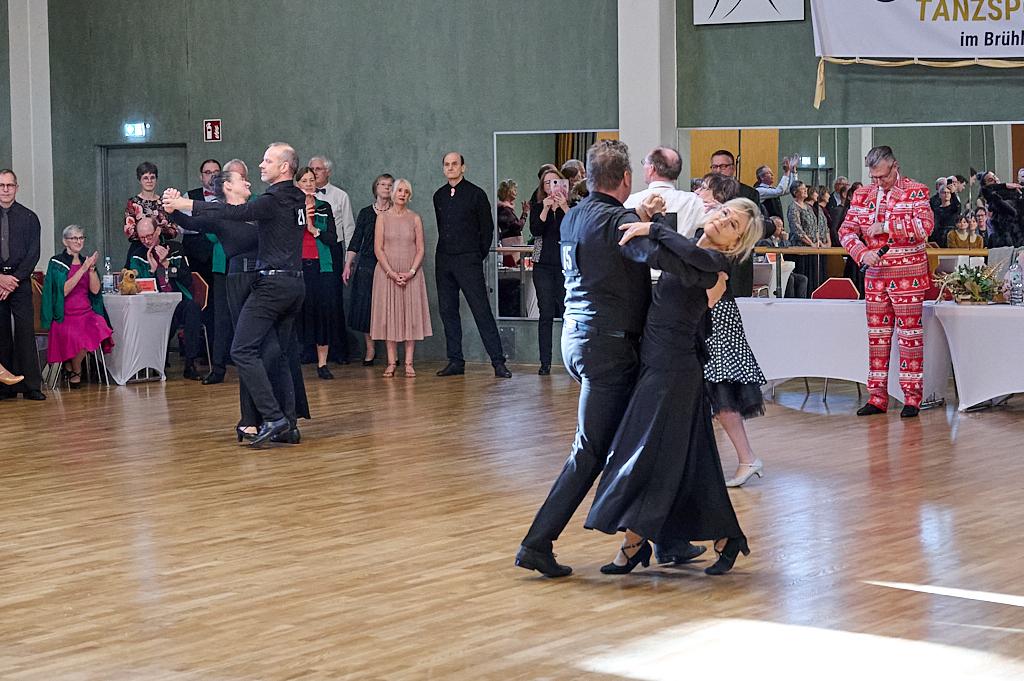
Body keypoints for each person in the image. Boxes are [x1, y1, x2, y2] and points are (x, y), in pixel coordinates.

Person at [514, 140, 723, 578]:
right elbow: (665, 259)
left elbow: (611, 250)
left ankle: (665, 540)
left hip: (577, 340)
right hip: (609, 348)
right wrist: (715, 267)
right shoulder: (621, 222)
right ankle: (537, 542)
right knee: (591, 452)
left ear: (589, 179)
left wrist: (647, 219)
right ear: (626, 180)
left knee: (645, 440)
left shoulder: (575, 215)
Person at [585, 198, 761, 575]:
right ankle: (720, 539)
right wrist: (648, 220)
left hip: (673, 369)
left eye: (733, 224)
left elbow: (667, 254)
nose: (722, 220)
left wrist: (651, 228)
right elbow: (668, 255)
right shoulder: (692, 251)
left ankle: (635, 543)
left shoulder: (716, 265)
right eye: (724, 212)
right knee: (684, 461)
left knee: (643, 453)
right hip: (662, 364)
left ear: (734, 244)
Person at [163, 142, 307, 447]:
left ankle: (275, 418)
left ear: (284, 167)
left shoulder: (270, 202)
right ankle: (271, 422)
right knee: (266, 352)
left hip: (270, 285)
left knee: (249, 351)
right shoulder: (291, 197)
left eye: (267, 160)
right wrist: (176, 210)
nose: (258, 168)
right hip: (269, 283)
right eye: (243, 176)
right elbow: (220, 213)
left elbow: (234, 211)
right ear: (228, 185)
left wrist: (185, 203)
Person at [839, 146, 933, 418]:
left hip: (909, 276)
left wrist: (887, 227)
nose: (878, 182)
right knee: (877, 338)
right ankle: (877, 397)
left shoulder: (916, 191)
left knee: (910, 337)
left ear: (895, 167)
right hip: (875, 277)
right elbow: (846, 230)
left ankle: (912, 398)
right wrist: (861, 252)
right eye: (874, 177)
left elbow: (925, 227)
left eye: (883, 176)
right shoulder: (862, 194)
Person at [432, 152, 511, 378]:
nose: (450, 168)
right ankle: (455, 360)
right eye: (447, 165)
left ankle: (498, 362)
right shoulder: (439, 196)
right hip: (444, 259)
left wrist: (476, 255)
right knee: (448, 311)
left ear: (463, 168)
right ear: (443, 169)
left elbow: (486, 230)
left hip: (468, 260)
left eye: (454, 164)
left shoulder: (476, 194)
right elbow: (442, 227)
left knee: (481, 310)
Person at [126, 217, 204, 380]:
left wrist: (167, 266)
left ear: (158, 231)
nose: (146, 241)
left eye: (150, 236)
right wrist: (153, 271)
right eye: (142, 238)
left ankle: (190, 364)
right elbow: (135, 284)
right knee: (161, 319)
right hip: (151, 304)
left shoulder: (176, 248)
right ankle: (155, 362)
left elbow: (187, 279)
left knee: (192, 309)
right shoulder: (136, 253)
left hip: (177, 300)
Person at [370, 179, 431, 377]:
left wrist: (411, 272)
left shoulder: (415, 218)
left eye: (406, 191)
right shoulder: (382, 218)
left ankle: (409, 363)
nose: (402, 194)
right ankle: (391, 362)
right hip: (387, 274)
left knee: (409, 317)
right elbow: (378, 248)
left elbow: (421, 248)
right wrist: (391, 273)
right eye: (399, 190)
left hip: (410, 274)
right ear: (393, 193)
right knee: (390, 317)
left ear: (409, 195)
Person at [40, 225, 114, 388]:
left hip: (86, 313)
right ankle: (76, 370)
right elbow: (63, 291)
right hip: (65, 315)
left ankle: (73, 367)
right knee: (77, 334)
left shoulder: (85, 262)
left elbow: (95, 290)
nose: (78, 241)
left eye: (81, 238)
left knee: (98, 327)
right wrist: (83, 269)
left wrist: (92, 269)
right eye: (74, 238)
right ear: (65, 241)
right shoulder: (57, 262)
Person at [0, 169, 45, 401]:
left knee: (25, 332)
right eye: (1, 185)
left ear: (17, 188)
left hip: (20, 281)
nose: (6, 189)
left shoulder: (29, 217)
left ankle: (31, 386)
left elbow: (33, 254)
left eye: (10, 185)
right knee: (1, 333)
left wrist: (13, 280)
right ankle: (3, 387)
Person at [294, 166, 339, 380]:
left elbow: (332, 238)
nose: (309, 183)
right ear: (297, 184)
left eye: (312, 179)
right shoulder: (291, 207)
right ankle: (296, 358)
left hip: (322, 267)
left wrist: (315, 230)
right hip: (298, 266)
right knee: (298, 312)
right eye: (304, 180)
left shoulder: (324, 206)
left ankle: (322, 364)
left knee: (323, 313)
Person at [309, 155, 355, 364]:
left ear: (328, 172)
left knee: (333, 302)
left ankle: (338, 350)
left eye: (318, 169)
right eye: (311, 169)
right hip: (308, 251)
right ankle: (309, 351)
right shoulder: (300, 197)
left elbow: (348, 229)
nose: (315, 172)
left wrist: (347, 262)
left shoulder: (340, 196)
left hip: (332, 249)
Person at [345, 174, 393, 365]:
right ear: (375, 187)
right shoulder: (366, 213)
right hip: (367, 264)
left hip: (389, 264)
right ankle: (370, 348)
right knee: (366, 307)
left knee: (390, 306)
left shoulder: (396, 212)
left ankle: (392, 352)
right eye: (382, 184)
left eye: (390, 185)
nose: (386, 188)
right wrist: (348, 264)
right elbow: (356, 240)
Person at [185, 158, 225, 382]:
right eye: (207, 172)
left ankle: (223, 354)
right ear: (201, 176)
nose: (211, 176)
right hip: (197, 262)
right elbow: (185, 227)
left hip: (222, 262)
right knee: (199, 307)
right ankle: (199, 353)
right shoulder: (189, 196)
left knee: (221, 309)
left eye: (216, 172)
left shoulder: (228, 197)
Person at [530, 167, 569, 375]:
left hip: (565, 265)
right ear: (543, 187)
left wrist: (564, 206)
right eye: (547, 183)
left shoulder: (571, 206)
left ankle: (570, 360)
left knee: (566, 313)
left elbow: (576, 227)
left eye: (556, 182)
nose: (552, 186)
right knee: (545, 312)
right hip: (542, 265)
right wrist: (545, 209)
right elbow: (535, 231)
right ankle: (544, 362)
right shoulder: (537, 207)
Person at [709, 149, 763, 296]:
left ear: (733, 168)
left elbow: (753, 225)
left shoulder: (749, 193)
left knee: (739, 302)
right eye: (715, 167)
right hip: (711, 258)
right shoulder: (704, 193)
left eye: (723, 166)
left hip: (739, 258)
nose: (718, 171)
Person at [625, 146, 704, 237]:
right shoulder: (695, 202)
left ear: (652, 168)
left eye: (645, 163)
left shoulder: (629, 202)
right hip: (682, 250)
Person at [124, 161, 175, 241]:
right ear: (139, 180)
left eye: (152, 177)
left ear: (156, 179)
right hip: (139, 247)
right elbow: (129, 232)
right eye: (145, 178)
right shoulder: (133, 203)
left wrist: (160, 231)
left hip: (162, 246)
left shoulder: (165, 202)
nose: (149, 181)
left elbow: (173, 230)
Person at [978, 171, 1024, 248]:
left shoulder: (1014, 193)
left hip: (1019, 236)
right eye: (990, 180)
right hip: (1004, 240)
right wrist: (1004, 185)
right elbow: (985, 189)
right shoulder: (993, 198)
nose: (995, 180)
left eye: (995, 177)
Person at [753, 159, 798, 224]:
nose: (772, 175)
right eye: (769, 173)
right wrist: (786, 172)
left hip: (777, 225)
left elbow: (791, 189)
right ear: (762, 177)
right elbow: (779, 191)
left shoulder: (771, 189)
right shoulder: (759, 190)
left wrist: (793, 172)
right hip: (767, 227)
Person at [496, 178, 528, 265]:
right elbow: (517, 227)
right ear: (508, 191)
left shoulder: (507, 210)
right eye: (514, 189)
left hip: (514, 249)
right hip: (510, 249)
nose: (516, 192)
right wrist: (524, 214)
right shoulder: (504, 210)